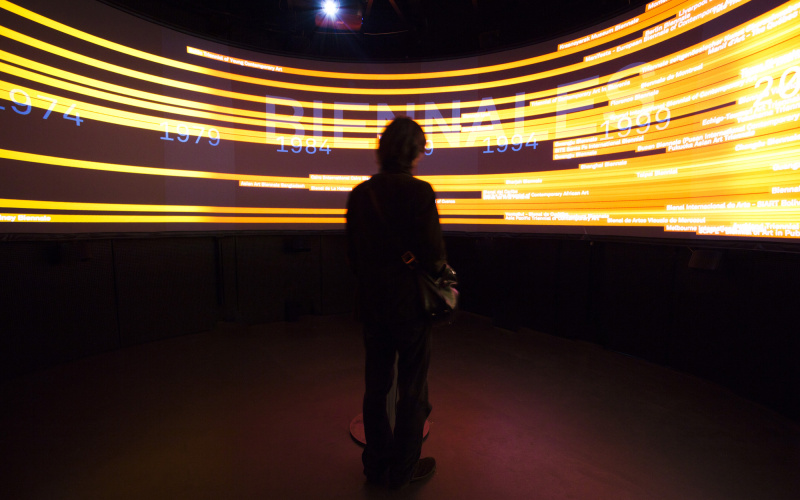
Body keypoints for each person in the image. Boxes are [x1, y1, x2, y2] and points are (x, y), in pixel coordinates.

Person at [346, 117, 446, 489]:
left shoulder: (360, 194)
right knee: (412, 390)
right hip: (411, 309)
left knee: (376, 389)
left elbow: (352, 257)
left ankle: (375, 466)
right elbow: (435, 257)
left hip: (373, 306)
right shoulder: (420, 193)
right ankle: (403, 471)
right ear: (413, 151)